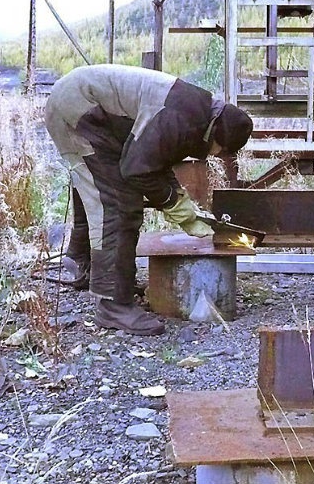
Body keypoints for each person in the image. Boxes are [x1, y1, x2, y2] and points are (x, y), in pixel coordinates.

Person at [43, 64, 253, 336]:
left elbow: (155, 158)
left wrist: (181, 203)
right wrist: (176, 206)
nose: (213, 156)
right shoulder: (181, 118)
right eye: (219, 151)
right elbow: (138, 170)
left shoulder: (195, 111)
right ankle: (113, 304)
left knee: (97, 185)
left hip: (82, 101)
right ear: (218, 136)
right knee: (119, 204)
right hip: (80, 107)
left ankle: (81, 263)